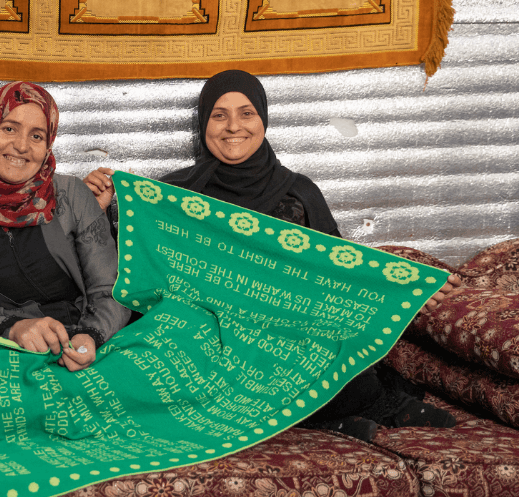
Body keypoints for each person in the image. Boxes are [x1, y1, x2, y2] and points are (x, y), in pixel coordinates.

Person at [85, 69, 459, 439]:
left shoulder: (299, 193)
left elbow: (341, 268)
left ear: (262, 119)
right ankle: (319, 415)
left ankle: (338, 410)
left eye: (246, 113)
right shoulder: (174, 196)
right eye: (219, 115)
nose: (234, 126)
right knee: (161, 361)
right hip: (208, 338)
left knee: (325, 346)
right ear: (203, 124)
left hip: (285, 331)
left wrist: (409, 286)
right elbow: (136, 266)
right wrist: (98, 211)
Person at [0, 82, 129, 372]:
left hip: (84, 349)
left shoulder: (73, 195)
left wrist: (91, 335)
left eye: (36, 135)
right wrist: (15, 330)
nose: (21, 146)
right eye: (9, 128)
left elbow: (111, 288)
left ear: (48, 145)